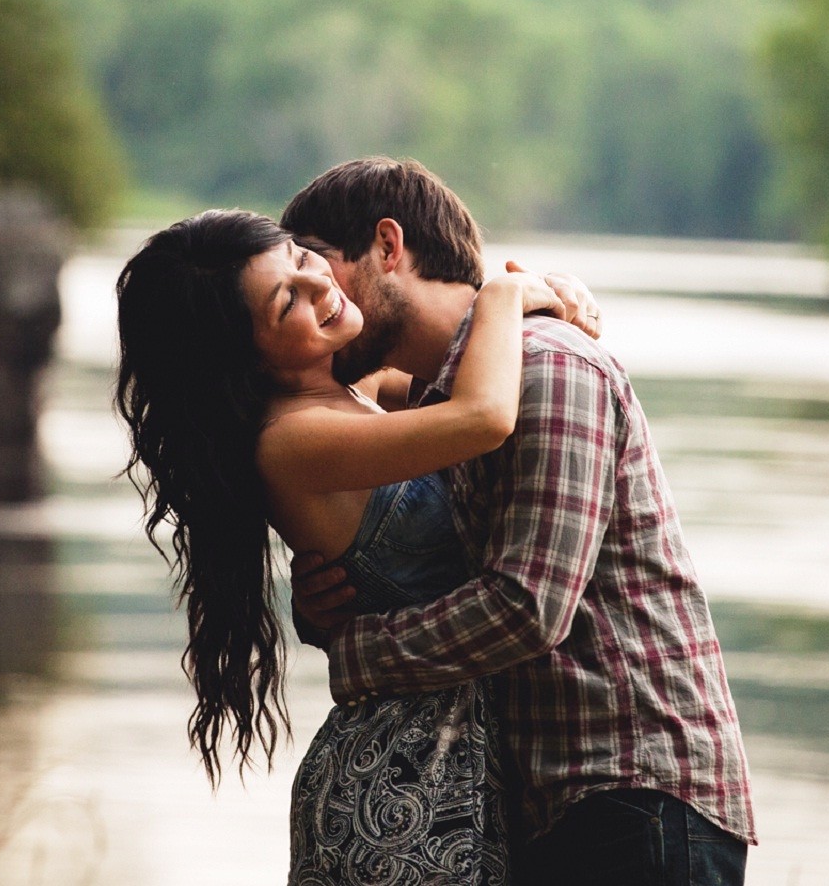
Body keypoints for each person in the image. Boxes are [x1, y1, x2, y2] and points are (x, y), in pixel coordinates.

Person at [282, 157, 756, 886]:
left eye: (320, 268)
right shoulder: (452, 395)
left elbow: (529, 604)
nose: (318, 303)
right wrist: (325, 593)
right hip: (556, 802)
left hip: (636, 792)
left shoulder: (550, 366)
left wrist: (357, 656)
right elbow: (412, 546)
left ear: (387, 246)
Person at [114, 208, 601, 884]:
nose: (320, 287)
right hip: (401, 787)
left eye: (301, 259)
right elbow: (483, 415)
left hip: (458, 769)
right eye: (289, 300)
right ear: (243, 356)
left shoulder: (360, 390)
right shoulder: (292, 440)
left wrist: (552, 293)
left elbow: (458, 358)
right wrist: (505, 292)